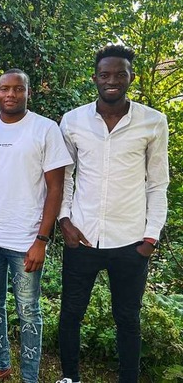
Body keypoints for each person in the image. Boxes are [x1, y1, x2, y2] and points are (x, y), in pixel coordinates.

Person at [56, 45, 169, 383]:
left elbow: (158, 184)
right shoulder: (73, 121)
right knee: (71, 314)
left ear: (131, 77)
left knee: (128, 318)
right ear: (95, 78)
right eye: (105, 75)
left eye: (120, 74)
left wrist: (151, 236)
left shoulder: (153, 122)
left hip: (130, 240)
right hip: (83, 238)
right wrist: (64, 221)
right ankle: (70, 377)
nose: (112, 81)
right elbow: (65, 176)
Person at [0, 69, 72, 383]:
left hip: (26, 239)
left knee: (29, 310)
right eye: (4, 89)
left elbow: (56, 187)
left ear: (28, 92)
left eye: (18, 89)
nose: (10, 94)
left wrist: (42, 238)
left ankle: (30, 377)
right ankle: (0, 365)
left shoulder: (45, 129)